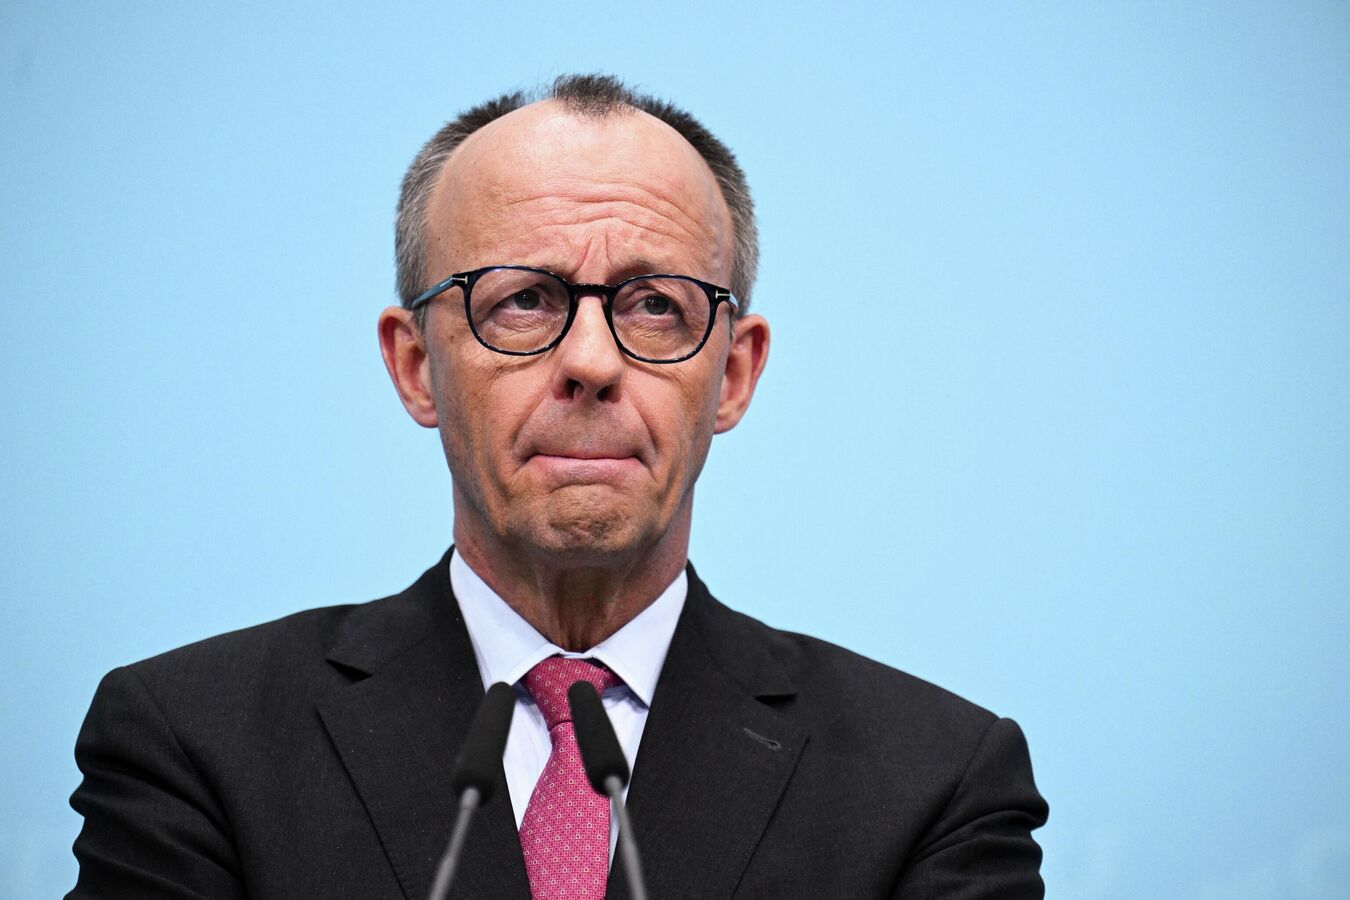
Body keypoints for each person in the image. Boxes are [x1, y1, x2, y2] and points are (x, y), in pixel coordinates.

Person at [67, 74, 1048, 899]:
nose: (590, 362)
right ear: (415, 366)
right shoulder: (193, 742)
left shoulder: (935, 782)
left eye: (656, 305)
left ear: (734, 376)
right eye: (524, 300)